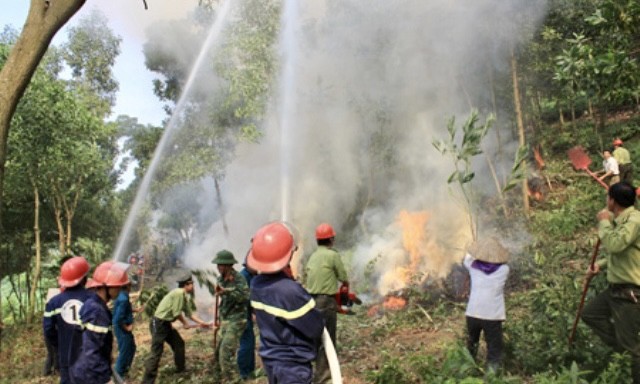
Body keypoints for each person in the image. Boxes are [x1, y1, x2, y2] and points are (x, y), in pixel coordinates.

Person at [247, 222, 325, 384]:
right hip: (292, 367)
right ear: (288, 255)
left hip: (271, 360)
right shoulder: (290, 292)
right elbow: (315, 328)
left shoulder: (256, 285)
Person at [582, 181, 640, 384]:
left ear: (613, 201)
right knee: (590, 314)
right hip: (615, 289)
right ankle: (622, 348)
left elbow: (615, 244)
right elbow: (623, 253)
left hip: (629, 292)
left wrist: (604, 222)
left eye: (608, 197)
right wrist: (600, 265)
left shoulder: (634, 220)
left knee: (632, 349)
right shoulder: (622, 219)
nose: (606, 201)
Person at [142, 271, 212, 384]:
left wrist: (203, 323)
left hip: (166, 324)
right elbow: (176, 313)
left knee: (179, 343)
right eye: (192, 284)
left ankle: (180, 369)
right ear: (187, 284)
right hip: (159, 323)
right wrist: (184, 323)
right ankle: (147, 381)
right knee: (156, 353)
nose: (193, 286)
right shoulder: (179, 293)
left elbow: (189, 314)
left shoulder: (183, 296)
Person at [70, 261, 130, 384]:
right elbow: (91, 351)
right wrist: (105, 379)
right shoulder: (97, 311)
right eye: (116, 286)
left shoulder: (94, 304)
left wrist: (108, 357)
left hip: (85, 369)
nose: (119, 289)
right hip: (90, 375)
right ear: (104, 287)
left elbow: (97, 343)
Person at [303, 223, 348, 384]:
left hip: (311, 302)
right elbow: (343, 276)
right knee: (327, 340)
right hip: (326, 301)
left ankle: (312, 373)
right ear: (331, 239)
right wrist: (345, 285)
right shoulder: (332, 255)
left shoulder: (313, 256)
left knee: (315, 338)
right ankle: (324, 378)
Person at [463, 237, 510, 373]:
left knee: (472, 343)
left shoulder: (472, 266)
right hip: (492, 315)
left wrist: (477, 248)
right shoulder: (504, 270)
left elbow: (468, 256)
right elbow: (506, 260)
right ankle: (491, 377)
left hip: (472, 313)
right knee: (494, 349)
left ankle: (467, 371)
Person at [43, 256, 93, 384]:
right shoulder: (93, 299)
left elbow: (48, 330)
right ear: (84, 278)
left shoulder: (54, 302)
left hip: (66, 355)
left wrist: (59, 343)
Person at [211, 249, 250, 384]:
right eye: (217, 265)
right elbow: (220, 297)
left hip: (237, 319)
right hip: (225, 319)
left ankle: (233, 380)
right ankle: (217, 379)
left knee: (225, 353)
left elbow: (244, 296)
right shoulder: (220, 279)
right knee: (217, 355)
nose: (218, 267)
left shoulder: (239, 279)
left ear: (228, 265)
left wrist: (226, 291)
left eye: (220, 265)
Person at [112, 275, 138, 380]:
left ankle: (125, 370)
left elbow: (124, 310)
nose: (131, 287)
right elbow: (118, 318)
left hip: (121, 326)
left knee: (131, 347)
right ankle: (118, 375)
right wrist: (126, 327)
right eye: (130, 285)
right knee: (124, 350)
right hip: (121, 327)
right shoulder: (123, 298)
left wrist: (135, 310)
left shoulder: (123, 296)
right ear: (126, 285)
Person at [237, 261, 256, 380]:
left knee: (250, 342)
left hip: (246, 314)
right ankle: (244, 373)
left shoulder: (250, 276)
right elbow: (246, 297)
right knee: (246, 344)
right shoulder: (243, 277)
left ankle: (250, 370)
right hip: (241, 315)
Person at [43, 287, 61, 376]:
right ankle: (56, 369)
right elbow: (50, 326)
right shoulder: (51, 307)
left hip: (49, 334)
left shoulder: (49, 307)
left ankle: (48, 371)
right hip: (51, 333)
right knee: (55, 352)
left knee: (51, 353)